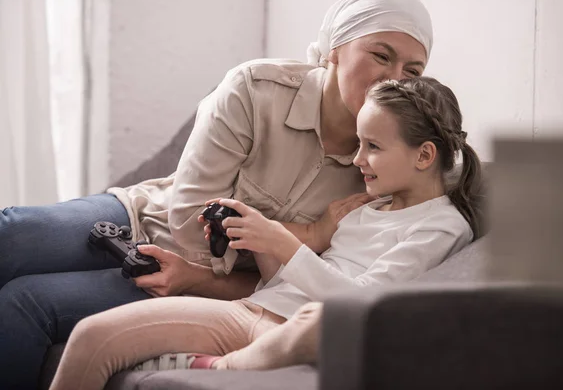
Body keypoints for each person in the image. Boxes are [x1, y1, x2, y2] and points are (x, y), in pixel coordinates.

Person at [0, 0, 434, 388]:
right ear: (335, 49)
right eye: (381, 56)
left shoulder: (391, 168)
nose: (393, 79)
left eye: (412, 71)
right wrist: (308, 235)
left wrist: (206, 276)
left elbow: (285, 284)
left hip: (194, 280)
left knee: (24, 302)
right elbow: (190, 219)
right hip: (142, 216)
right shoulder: (256, 88)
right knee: (11, 235)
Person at [48, 75, 482, 389]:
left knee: (321, 319)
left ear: (424, 155)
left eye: (373, 147)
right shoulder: (366, 206)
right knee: (91, 336)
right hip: (254, 312)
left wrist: (283, 243)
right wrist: (258, 238)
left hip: (298, 328)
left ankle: (221, 369)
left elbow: (358, 303)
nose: (357, 160)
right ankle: (218, 360)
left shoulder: (443, 225)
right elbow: (282, 285)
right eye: (359, 143)